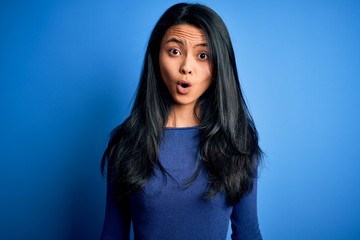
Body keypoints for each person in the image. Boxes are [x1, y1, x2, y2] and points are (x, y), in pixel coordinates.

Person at [100, 3, 263, 240]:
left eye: (202, 55)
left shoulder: (237, 141)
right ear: (157, 56)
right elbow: (112, 235)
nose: (186, 67)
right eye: (175, 51)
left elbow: (248, 233)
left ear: (219, 67)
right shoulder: (127, 141)